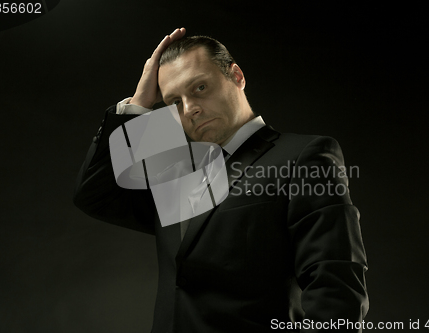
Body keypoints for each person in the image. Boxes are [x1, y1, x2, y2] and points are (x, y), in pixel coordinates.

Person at [74, 27, 369, 333]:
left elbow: (336, 292)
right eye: (174, 101)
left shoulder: (304, 155)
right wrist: (138, 107)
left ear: (237, 76)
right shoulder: (173, 164)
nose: (190, 109)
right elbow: (93, 194)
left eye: (200, 88)